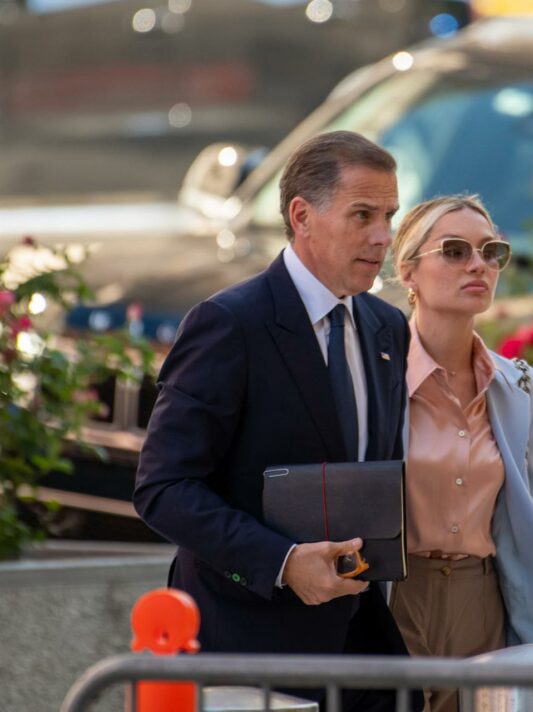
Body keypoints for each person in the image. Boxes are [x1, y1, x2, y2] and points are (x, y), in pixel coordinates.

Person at [133, 131, 417, 711]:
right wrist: (284, 564)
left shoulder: (387, 328)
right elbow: (163, 488)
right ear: (302, 216)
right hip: (248, 651)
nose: (383, 236)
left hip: (362, 653)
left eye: (388, 216)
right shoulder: (228, 324)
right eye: (362, 215)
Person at [389, 195, 533, 712]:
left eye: (491, 251)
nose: (478, 264)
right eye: (455, 251)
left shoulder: (522, 386)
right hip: (394, 596)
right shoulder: (375, 376)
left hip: (481, 600)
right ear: (408, 271)